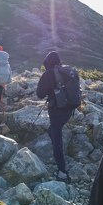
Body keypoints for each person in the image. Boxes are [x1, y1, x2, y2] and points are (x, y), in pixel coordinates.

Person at [36, 50, 73, 180]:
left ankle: (62, 170)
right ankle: (57, 154)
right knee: (53, 130)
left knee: (57, 138)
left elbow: (40, 94)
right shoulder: (68, 71)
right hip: (71, 108)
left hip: (57, 109)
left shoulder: (48, 73)